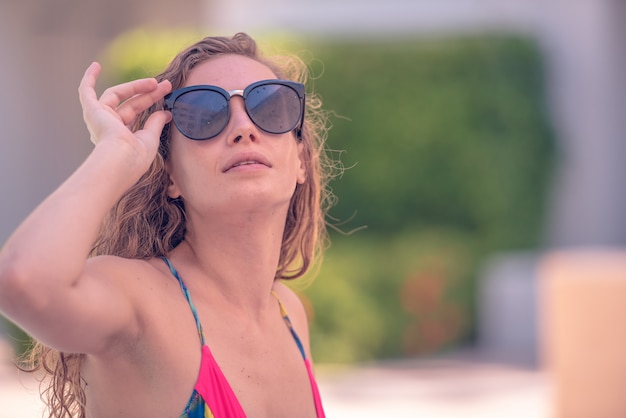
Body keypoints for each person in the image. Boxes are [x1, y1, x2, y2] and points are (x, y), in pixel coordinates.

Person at [0, 32, 334, 418]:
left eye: (270, 106)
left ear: (301, 162)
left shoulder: (288, 313)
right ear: (170, 173)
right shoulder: (141, 304)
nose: (244, 127)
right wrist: (115, 153)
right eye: (205, 113)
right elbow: (22, 281)